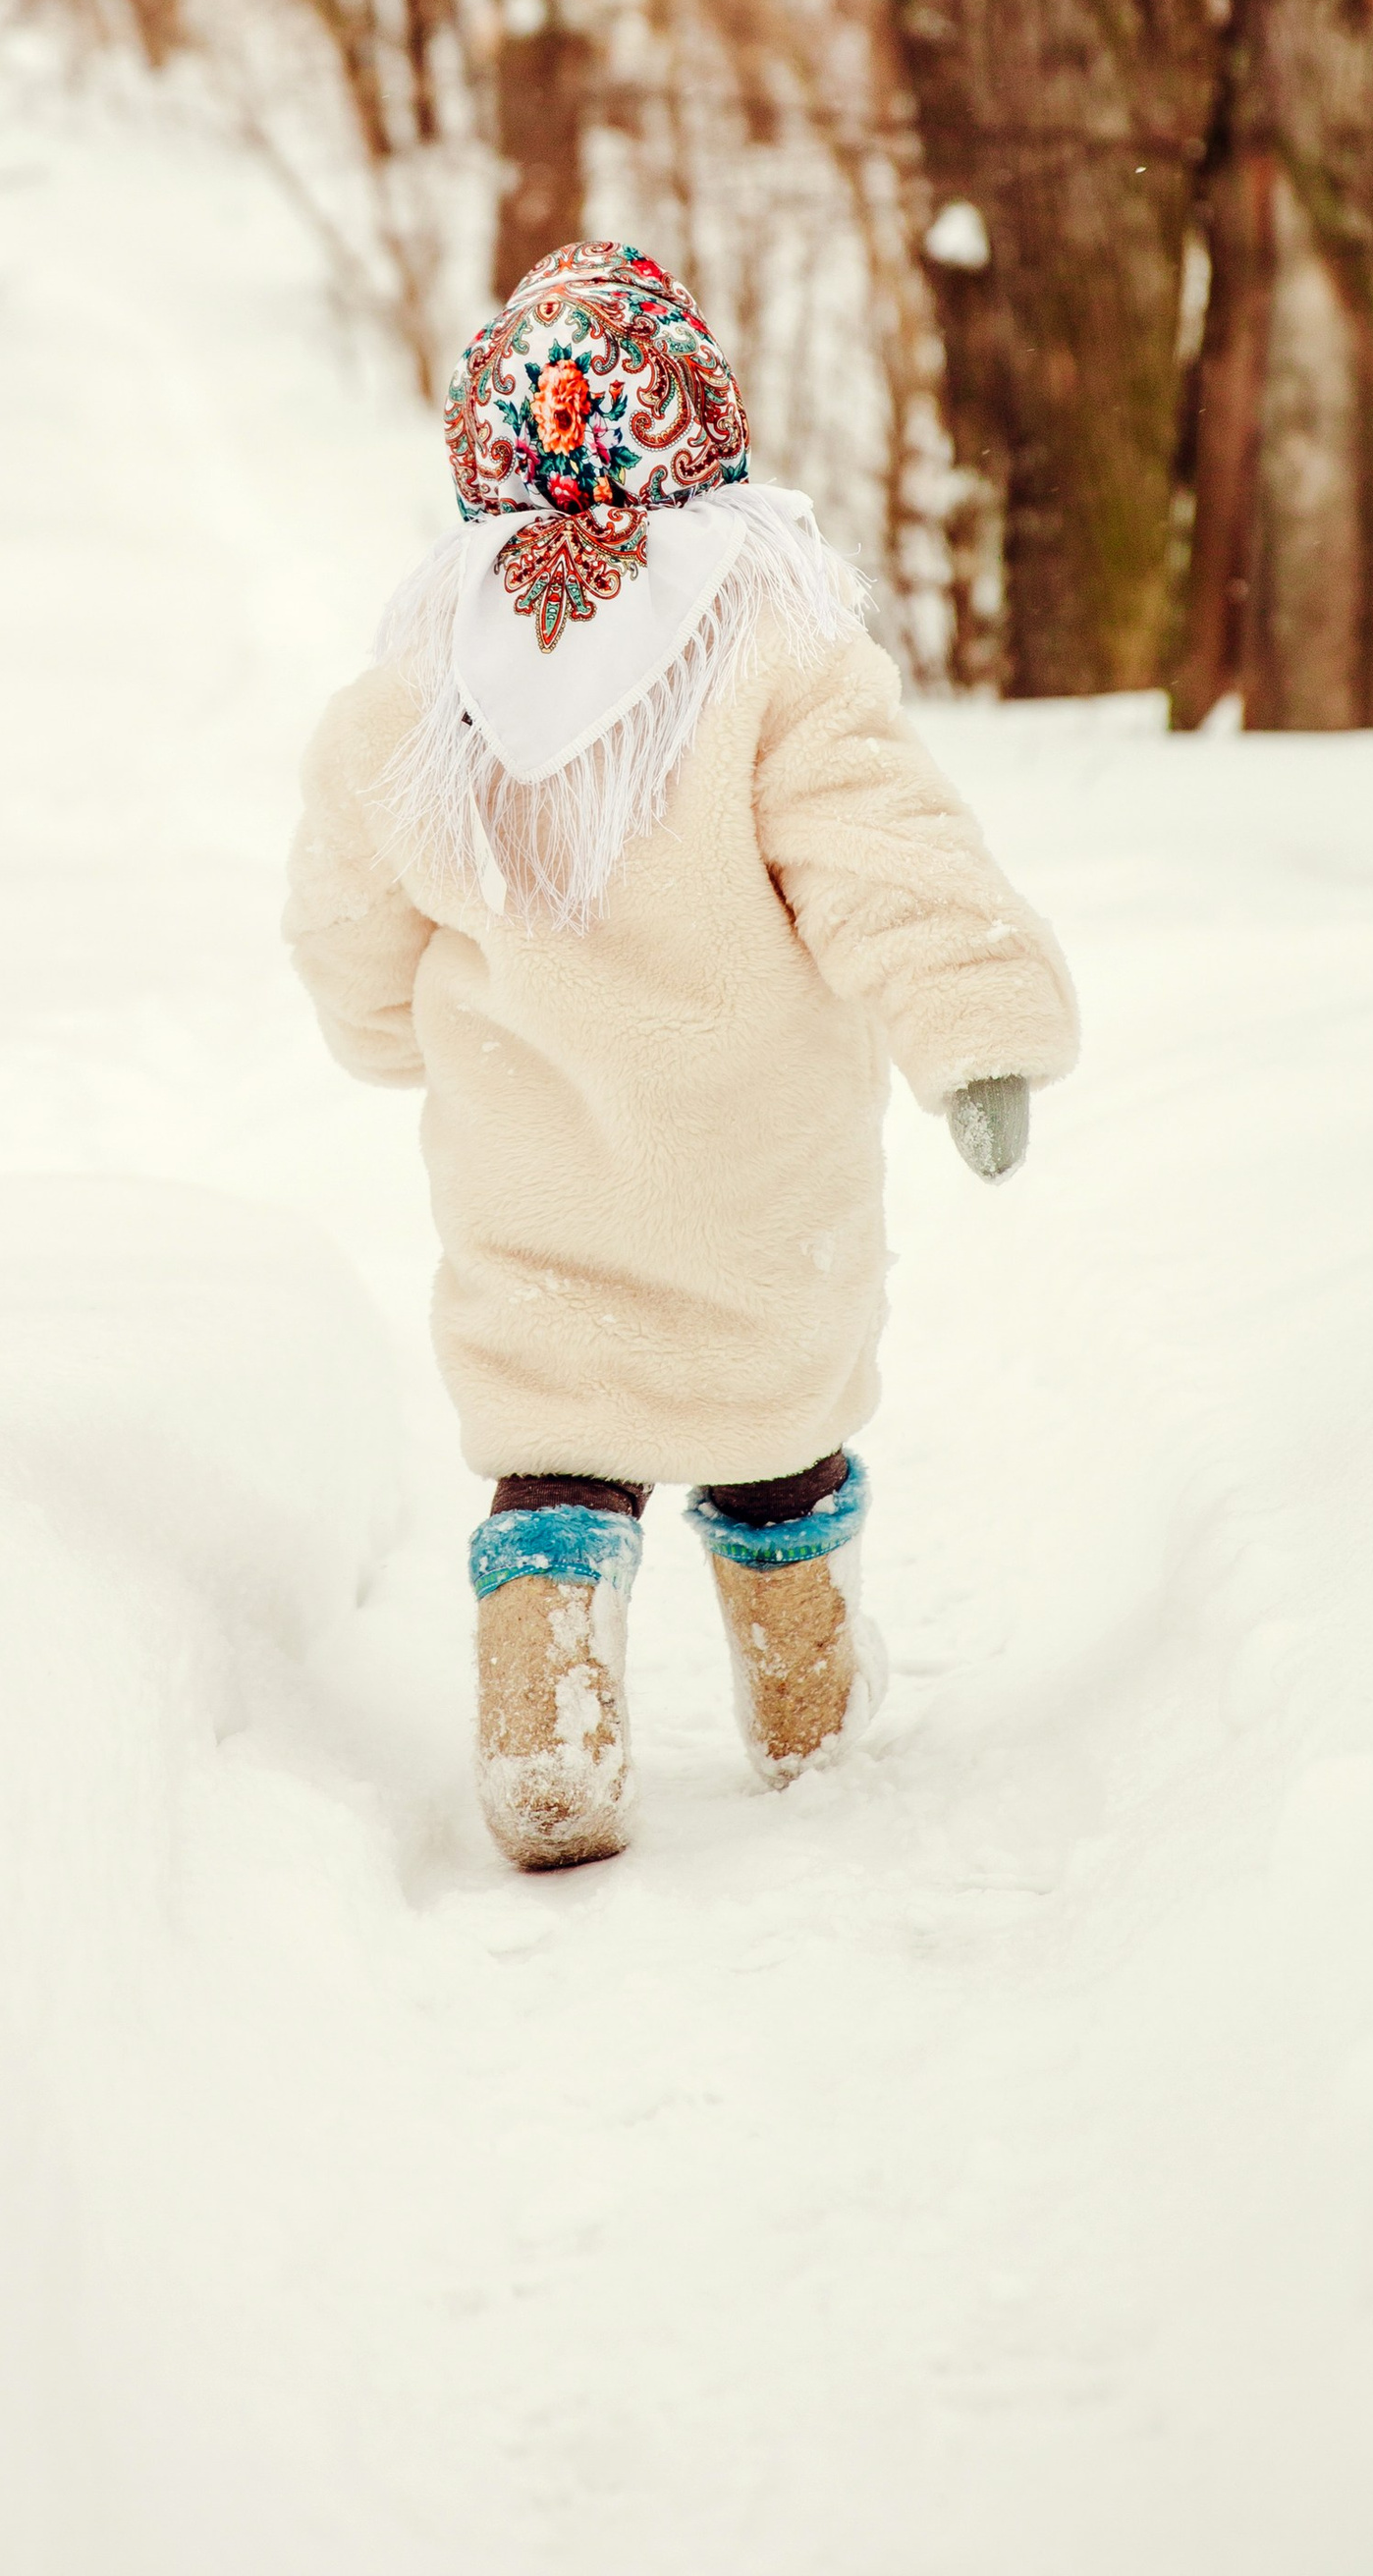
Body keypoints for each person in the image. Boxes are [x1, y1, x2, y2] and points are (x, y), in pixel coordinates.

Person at [285, 245, 1078, 1872]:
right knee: (777, 1436)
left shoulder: (416, 687)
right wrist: (976, 1037)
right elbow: (889, 858)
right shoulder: (777, 651)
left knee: (555, 1453)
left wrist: (385, 1038)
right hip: (757, 1178)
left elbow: (348, 928)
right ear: (696, 427)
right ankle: (807, 1706)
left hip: (534, 1192)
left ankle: (549, 1726)